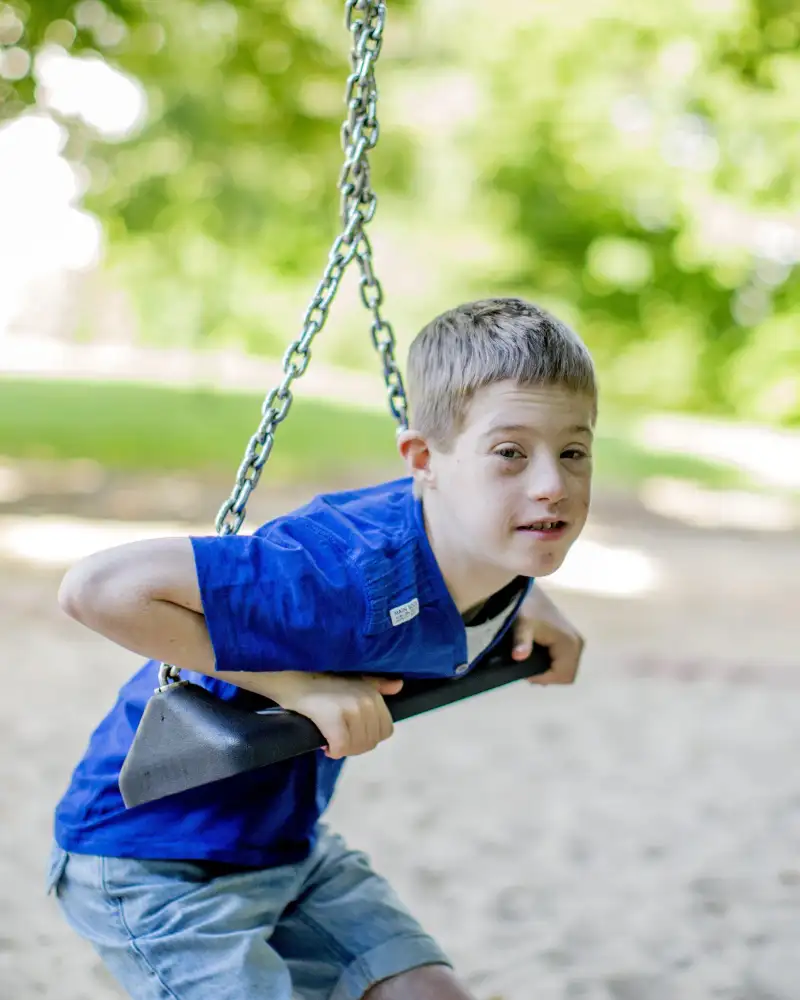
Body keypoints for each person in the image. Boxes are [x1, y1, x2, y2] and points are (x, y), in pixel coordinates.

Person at [48, 297, 595, 1000]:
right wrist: (296, 687)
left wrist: (532, 603)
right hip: (150, 853)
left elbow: (486, 543)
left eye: (573, 451)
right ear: (426, 459)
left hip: (283, 844)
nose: (551, 484)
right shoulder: (334, 574)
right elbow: (96, 587)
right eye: (510, 453)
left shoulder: (502, 541)